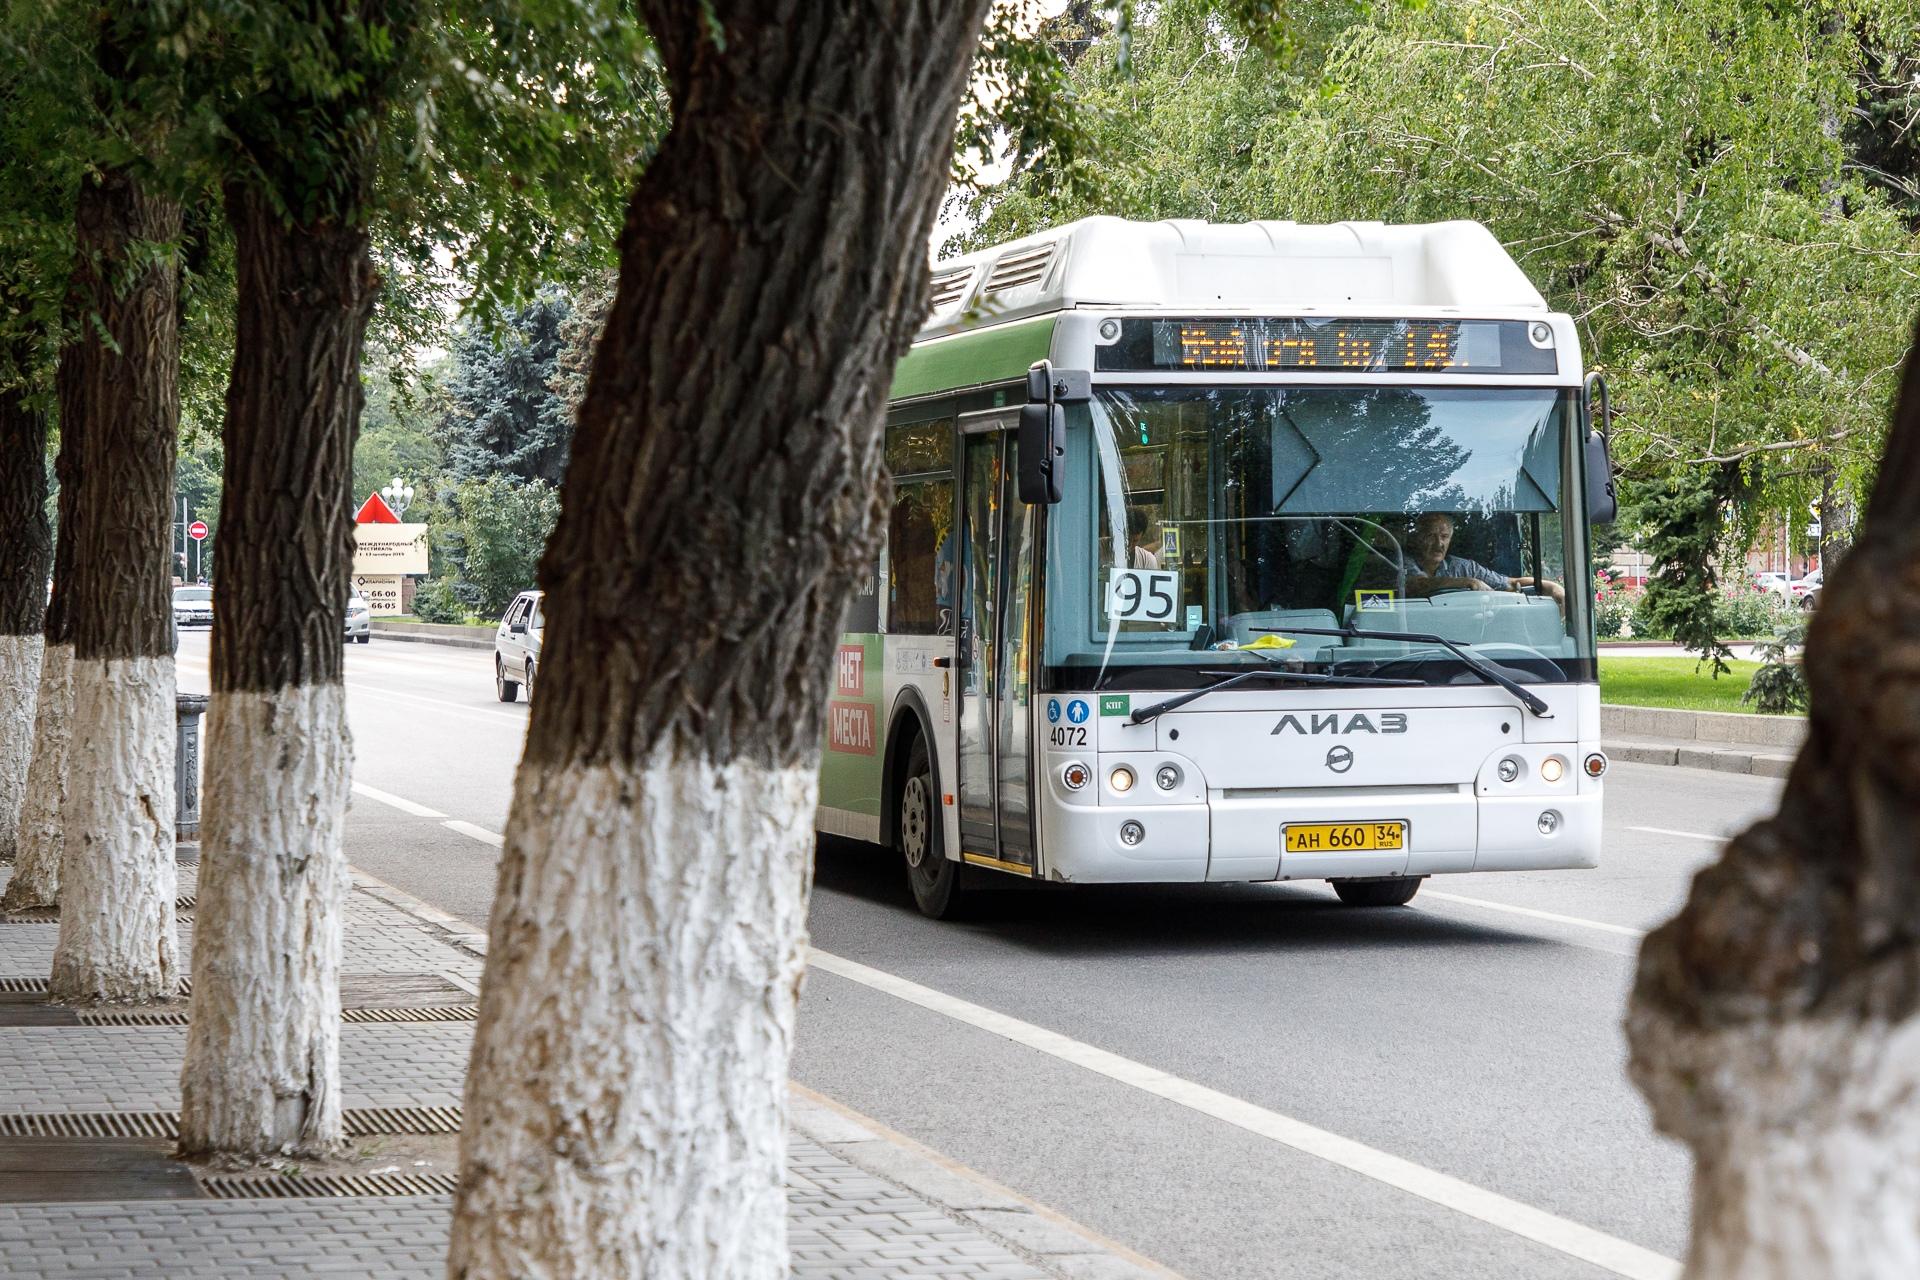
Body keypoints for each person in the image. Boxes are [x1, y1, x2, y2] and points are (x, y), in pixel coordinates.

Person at [1402, 512, 1563, 603]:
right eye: (1431, 536)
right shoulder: (1402, 561)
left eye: (1444, 536)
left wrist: (1552, 588)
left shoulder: (1465, 568)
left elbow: (1510, 584)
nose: (1439, 543)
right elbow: (1416, 585)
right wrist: (1467, 583)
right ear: (1418, 537)